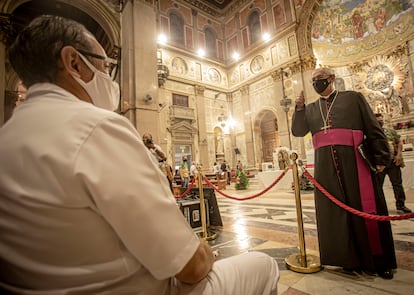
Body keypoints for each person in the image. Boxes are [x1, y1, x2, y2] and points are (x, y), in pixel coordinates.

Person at [0, 15, 279, 294]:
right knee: (263, 264)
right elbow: (191, 266)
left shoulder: (7, 136)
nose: (108, 75)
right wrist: (204, 252)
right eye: (104, 65)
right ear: (74, 62)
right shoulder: (96, 127)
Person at [291, 67, 397, 279]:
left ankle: (377, 261)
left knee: (365, 208)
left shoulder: (353, 98)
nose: (315, 83)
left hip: (355, 163)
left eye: (319, 79)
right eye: (313, 81)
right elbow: (298, 131)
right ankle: (346, 260)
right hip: (325, 169)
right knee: (335, 214)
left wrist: (381, 158)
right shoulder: (311, 109)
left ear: (331, 79)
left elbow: (372, 128)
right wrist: (299, 108)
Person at [375, 113, 412, 213]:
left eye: (381, 120)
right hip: (379, 164)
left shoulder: (390, 131)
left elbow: (399, 142)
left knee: (397, 184)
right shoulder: (372, 133)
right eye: (378, 121)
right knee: (378, 187)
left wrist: (399, 154)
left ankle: (401, 205)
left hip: (393, 162)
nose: (380, 122)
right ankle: (379, 207)